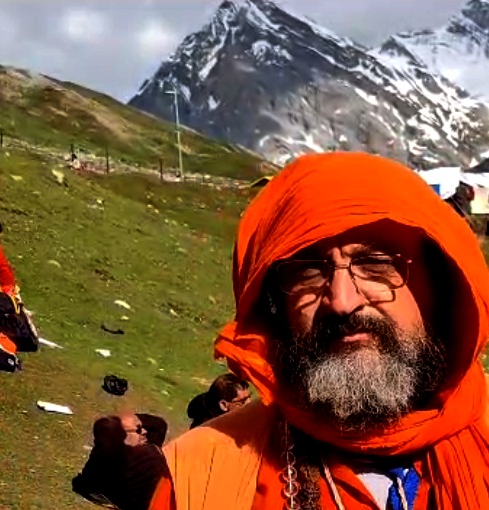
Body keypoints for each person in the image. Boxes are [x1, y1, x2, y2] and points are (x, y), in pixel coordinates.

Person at [150, 152, 489, 510]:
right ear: (274, 307)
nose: (341, 302)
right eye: (308, 271)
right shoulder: (200, 477)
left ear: (441, 286)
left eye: (375, 265)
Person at [73, 414, 170, 510]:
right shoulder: (148, 456)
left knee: (158, 425)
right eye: (138, 430)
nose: (144, 432)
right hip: (133, 498)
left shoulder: (107, 450)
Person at [184, 373, 250, 429]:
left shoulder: (207, 398)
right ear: (223, 405)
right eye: (242, 402)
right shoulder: (208, 430)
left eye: (249, 397)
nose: (249, 403)